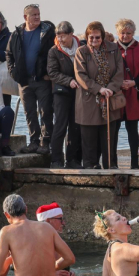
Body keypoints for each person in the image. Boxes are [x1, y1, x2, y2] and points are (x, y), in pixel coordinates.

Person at [75, 21, 126, 169]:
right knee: (89, 138)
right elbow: (80, 75)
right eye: (91, 37)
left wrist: (110, 88)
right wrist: (99, 89)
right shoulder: (81, 52)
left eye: (97, 37)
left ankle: (110, 165)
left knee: (109, 137)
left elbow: (119, 72)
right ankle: (91, 165)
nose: (94, 40)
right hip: (89, 100)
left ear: (102, 37)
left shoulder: (113, 49)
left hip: (110, 98)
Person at [6, 4, 56, 154]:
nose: (37, 17)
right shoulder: (17, 34)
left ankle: (45, 142)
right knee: (29, 112)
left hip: (42, 79)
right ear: (25, 17)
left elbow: (55, 52)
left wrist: (49, 73)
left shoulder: (47, 32)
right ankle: (34, 141)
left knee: (45, 111)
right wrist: (13, 72)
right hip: (24, 80)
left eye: (38, 14)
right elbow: (9, 54)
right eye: (33, 14)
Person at [116, 19, 139, 169]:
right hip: (116, 94)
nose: (125, 36)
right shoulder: (112, 48)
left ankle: (135, 163)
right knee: (114, 129)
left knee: (132, 130)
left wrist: (133, 82)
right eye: (122, 33)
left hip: (133, 94)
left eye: (128, 33)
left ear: (133, 34)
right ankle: (112, 162)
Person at [47, 21, 82, 169]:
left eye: (63, 36)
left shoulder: (82, 48)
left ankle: (73, 160)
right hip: (61, 93)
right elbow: (53, 73)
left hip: (79, 93)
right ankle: (56, 160)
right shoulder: (54, 51)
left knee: (76, 127)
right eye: (58, 36)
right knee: (60, 126)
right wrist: (69, 81)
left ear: (71, 34)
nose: (60, 39)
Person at [36, 202, 76, 276]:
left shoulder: (57, 242)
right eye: (60, 219)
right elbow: (26, 273)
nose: (63, 223)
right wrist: (52, 275)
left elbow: (55, 268)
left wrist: (68, 274)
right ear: (48, 221)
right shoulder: (34, 242)